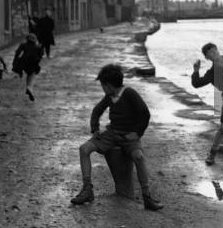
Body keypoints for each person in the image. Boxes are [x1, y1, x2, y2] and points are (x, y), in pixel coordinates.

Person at [70, 64, 163, 211]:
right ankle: (87, 189)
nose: (103, 89)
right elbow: (97, 111)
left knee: (139, 157)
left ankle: (147, 197)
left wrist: (137, 133)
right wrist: (95, 129)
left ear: (109, 85)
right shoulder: (109, 96)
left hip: (129, 136)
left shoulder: (130, 94)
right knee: (84, 149)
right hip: (112, 133)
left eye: (102, 85)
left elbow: (145, 114)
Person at [12, 33, 43, 102]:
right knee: (32, 75)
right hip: (33, 63)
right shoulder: (37, 46)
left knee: (29, 74)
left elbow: (17, 53)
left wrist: (16, 63)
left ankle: (28, 88)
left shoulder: (23, 45)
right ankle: (29, 88)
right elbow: (40, 55)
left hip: (24, 63)